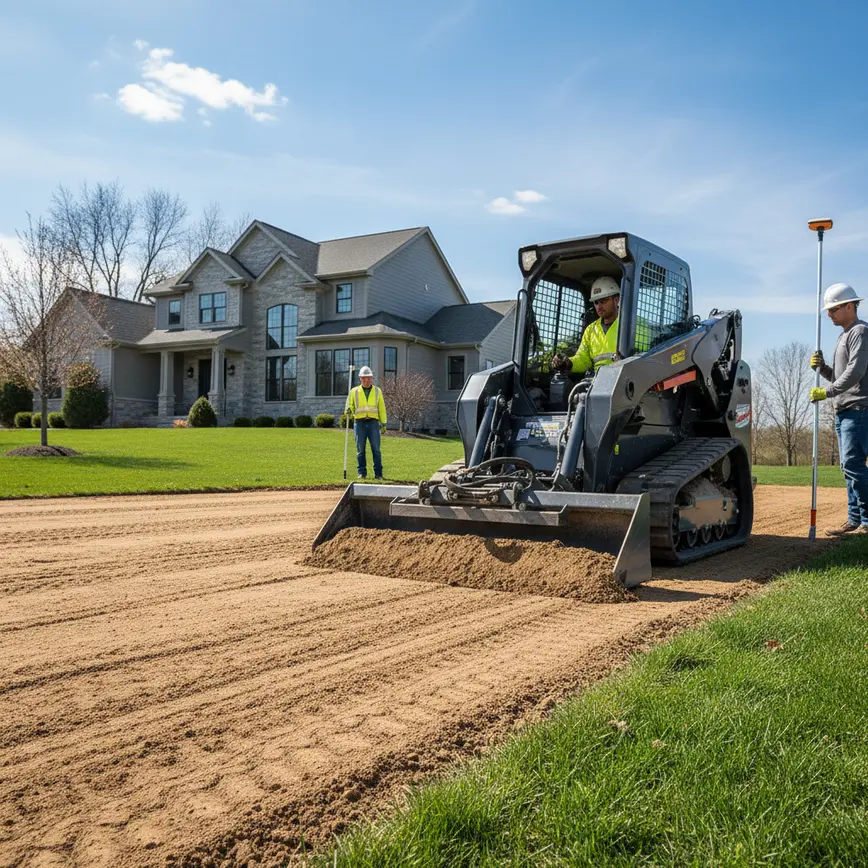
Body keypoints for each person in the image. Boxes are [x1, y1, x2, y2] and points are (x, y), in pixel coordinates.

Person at [809, 282, 868, 536]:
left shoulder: (860, 332)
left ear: (849, 306)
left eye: (833, 309)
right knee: (847, 466)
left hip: (858, 408)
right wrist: (822, 369)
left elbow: (856, 372)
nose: (829, 314)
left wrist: (828, 392)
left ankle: (866, 521)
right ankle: (854, 519)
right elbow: (840, 376)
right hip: (844, 410)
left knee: (854, 464)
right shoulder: (843, 335)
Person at [552, 276, 622, 374]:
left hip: (624, 379)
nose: (599, 307)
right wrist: (568, 363)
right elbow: (583, 359)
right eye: (596, 302)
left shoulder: (633, 325)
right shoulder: (591, 330)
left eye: (603, 301)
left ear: (616, 299)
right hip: (598, 380)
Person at [346, 365, 388, 480]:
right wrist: (348, 410)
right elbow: (349, 405)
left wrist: (383, 423)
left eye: (368, 377)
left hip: (373, 423)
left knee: (376, 449)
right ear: (360, 378)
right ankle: (362, 473)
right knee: (360, 449)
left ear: (371, 378)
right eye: (364, 378)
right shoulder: (354, 391)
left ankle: (378, 474)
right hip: (359, 423)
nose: (366, 380)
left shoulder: (377, 391)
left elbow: (382, 408)